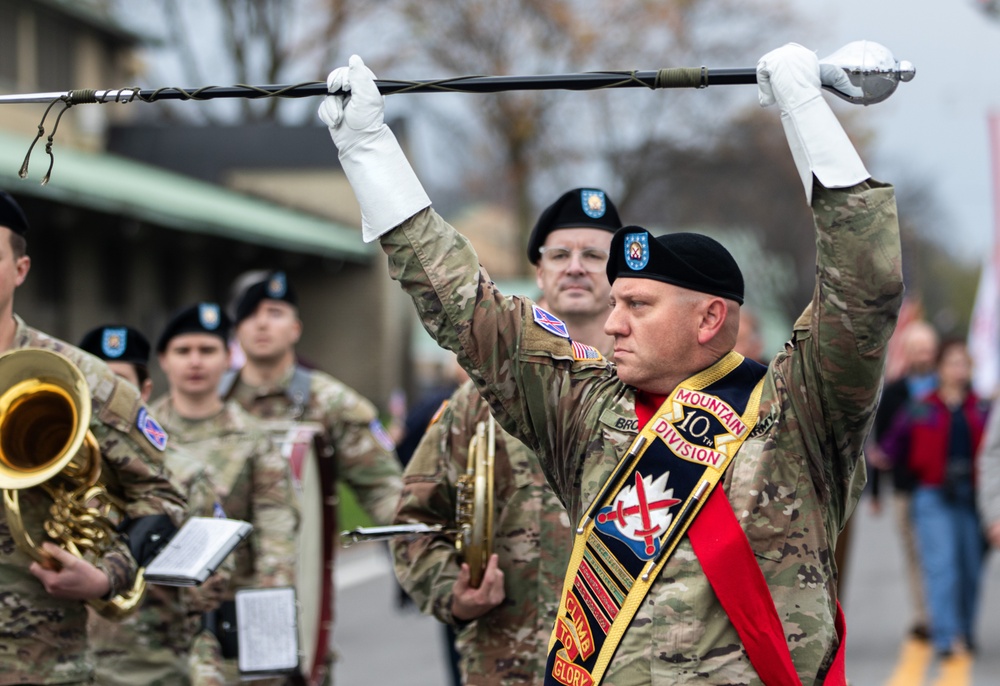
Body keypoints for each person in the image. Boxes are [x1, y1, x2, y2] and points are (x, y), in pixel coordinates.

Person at [319, 42, 903, 684]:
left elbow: (864, 289)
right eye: (615, 300)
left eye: (639, 304)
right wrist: (369, 151)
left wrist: (806, 114)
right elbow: (465, 309)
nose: (614, 320)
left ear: (710, 319)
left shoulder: (797, 419)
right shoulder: (587, 412)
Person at [392, 188, 621, 686]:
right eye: (559, 255)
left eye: (594, 255)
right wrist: (452, 589)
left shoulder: (655, 399)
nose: (575, 267)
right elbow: (414, 520)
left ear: (620, 273)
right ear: (539, 272)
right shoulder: (477, 404)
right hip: (508, 666)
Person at [0, 190, 187, 685]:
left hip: (36, 662)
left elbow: (164, 493)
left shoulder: (84, 377)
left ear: (20, 269)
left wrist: (109, 574)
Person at [218, 271, 403, 681]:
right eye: (249, 315)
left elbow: (385, 493)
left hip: (296, 590)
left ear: (296, 327)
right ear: (236, 330)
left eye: (275, 313)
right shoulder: (211, 400)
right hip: (215, 599)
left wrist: (419, 558)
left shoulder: (331, 402)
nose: (262, 324)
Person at [150, 303, 300, 684]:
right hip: (153, 614)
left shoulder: (253, 438)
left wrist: (271, 616)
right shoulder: (141, 435)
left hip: (232, 610)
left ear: (226, 358)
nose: (195, 362)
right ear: (164, 361)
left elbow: (276, 530)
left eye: (208, 350)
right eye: (183, 351)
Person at [79, 324, 228, 686]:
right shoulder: (45, 465)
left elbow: (209, 597)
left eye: (116, 383)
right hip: (61, 666)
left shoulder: (186, 475)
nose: (102, 397)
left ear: (144, 391)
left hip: (150, 671)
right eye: (93, 382)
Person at [879, 339, 989, 659]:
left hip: (972, 497)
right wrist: (884, 463)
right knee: (942, 566)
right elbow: (890, 447)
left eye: (963, 364)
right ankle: (944, 638)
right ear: (940, 369)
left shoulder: (982, 408)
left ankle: (964, 631)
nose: (958, 369)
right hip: (932, 496)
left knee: (970, 568)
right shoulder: (921, 406)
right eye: (952, 363)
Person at [868, 319, 939, 641]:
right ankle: (924, 615)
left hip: (940, 486)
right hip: (904, 488)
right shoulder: (894, 393)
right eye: (917, 349)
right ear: (907, 353)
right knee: (915, 553)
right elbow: (880, 447)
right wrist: (877, 495)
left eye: (927, 349)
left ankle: (946, 613)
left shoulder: (946, 388)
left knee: (942, 553)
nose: (923, 355)